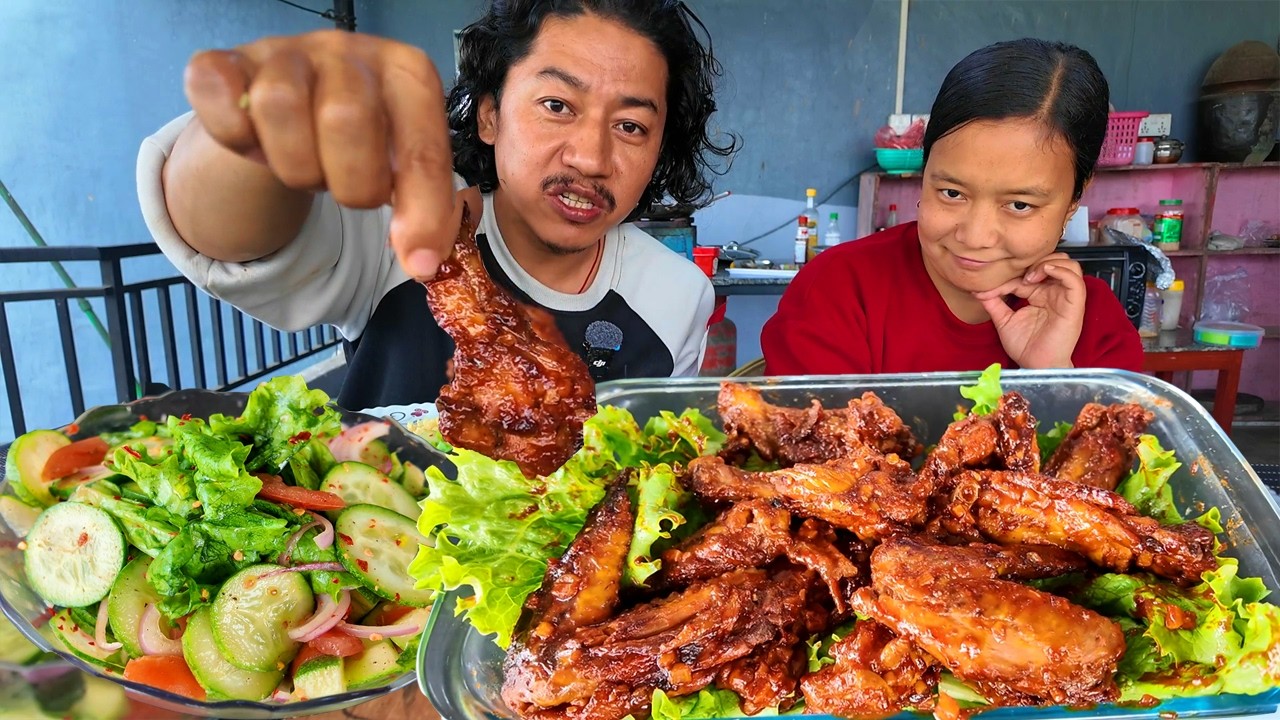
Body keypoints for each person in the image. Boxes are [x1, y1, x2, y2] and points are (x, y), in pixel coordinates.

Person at [137, 0, 736, 409]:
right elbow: (219, 230)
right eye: (557, 105)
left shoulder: (678, 295)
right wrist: (261, 125)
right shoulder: (406, 230)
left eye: (631, 126)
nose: (591, 157)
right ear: (490, 115)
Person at [761, 38, 1143, 376]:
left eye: (1019, 204)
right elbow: (804, 451)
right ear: (924, 172)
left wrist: (1054, 375)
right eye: (952, 193)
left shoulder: (1094, 328)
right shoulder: (839, 290)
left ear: (1075, 199)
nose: (974, 236)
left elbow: (1122, 453)